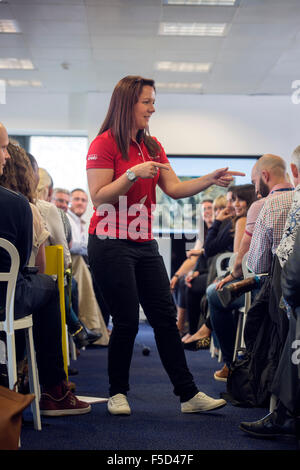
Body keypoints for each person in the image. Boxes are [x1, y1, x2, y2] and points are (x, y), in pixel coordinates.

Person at [86, 75, 244, 415]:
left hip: (142, 243)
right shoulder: (104, 144)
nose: (152, 108)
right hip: (109, 240)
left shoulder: (152, 145)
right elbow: (98, 198)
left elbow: (173, 187)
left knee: (164, 316)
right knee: (126, 319)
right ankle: (117, 393)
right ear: (128, 103)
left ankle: (188, 395)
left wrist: (208, 180)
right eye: (147, 102)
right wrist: (130, 175)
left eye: (153, 102)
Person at [0, 122, 91, 416]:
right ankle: (52, 389)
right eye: (2, 148)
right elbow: (36, 266)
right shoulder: (21, 206)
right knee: (49, 287)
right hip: (7, 300)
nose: (5, 155)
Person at [200, 184, 257, 379]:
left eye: (237, 199)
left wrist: (228, 278)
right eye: (232, 200)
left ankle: (231, 362)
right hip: (263, 283)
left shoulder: (243, 221)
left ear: (249, 199)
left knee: (214, 292)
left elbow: (238, 263)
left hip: (253, 286)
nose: (233, 204)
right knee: (215, 285)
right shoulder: (242, 219)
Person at [170, 198, 214, 337]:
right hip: (203, 270)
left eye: (209, 208)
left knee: (185, 283)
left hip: (214, 272)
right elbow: (193, 259)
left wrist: (196, 271)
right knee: (180, 281)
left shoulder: (221, 228)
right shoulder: (203, 233)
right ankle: (182, 325)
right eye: (204, 209)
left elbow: (214, 253)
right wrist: (176, 276)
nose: (207, 212)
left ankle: (181, 326)